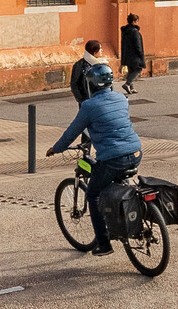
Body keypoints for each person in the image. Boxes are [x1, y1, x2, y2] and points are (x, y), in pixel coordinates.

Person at [45, 61, 142, 256]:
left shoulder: (89, 106)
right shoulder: (122, 99)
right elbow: (111, 123)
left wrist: (56, 149)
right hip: (136, 153)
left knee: (93, 194)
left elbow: (72, 132)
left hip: (113, 159)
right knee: (113, 180)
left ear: (91, 85)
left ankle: (104, 243)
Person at [119, 15, 145, 96]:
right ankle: (127, 84)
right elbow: (138, 45)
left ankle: (132, 88)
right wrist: (141, 54)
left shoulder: (125, 31)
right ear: (134, 21)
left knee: (131, 70)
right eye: (137, 21)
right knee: (138, 70)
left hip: (127, 55)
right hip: (135, 55)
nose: (137, 22)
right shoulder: (135, 32)